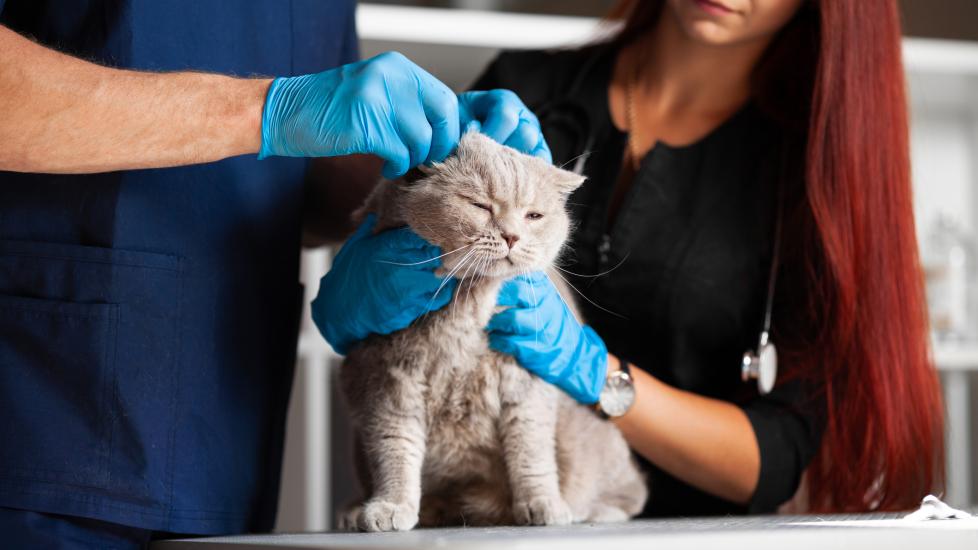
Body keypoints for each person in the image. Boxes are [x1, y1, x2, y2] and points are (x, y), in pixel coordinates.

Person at [315, 0, 945, 516]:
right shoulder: (527, 91)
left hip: (674, 527)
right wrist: (368, 274)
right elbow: (414, 217)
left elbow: (776, 456)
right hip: (468, 517)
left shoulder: (804, 170)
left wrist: (596, 373)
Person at [0, 1, 549, 547]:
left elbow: (306, 183)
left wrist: (424, 179)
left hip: (227, 414)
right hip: (46, 400)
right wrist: (267, 110)